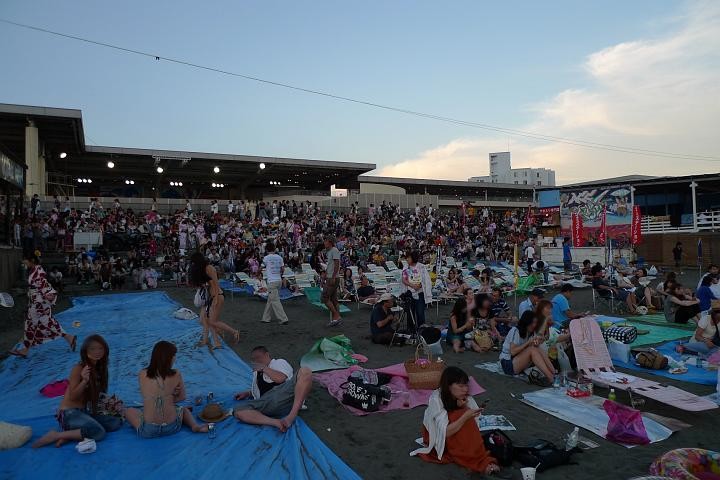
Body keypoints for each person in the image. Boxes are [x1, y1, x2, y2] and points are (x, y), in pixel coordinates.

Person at [32, 335, 123, 447]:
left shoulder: (101, 368)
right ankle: (56, 435)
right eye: (92, 349)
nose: (97, 352)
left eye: (100, 348)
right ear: (85, 351)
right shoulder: (79, 368)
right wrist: (84, 381)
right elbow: (73, 397)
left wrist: (111, 403)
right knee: (99, 432)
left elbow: (98, 396)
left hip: (85, 411)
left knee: (115, 423)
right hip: (69, 413)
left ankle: (71, 435)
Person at [410, 367, 500, 476]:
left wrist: (464, 408)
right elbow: (444, 432)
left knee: (465, 417)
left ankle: (480, 457)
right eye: (461, 386)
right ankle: (477, 461)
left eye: (466, 385)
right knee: (463, 416)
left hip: (453, 430)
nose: (465, 389)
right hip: (435, 435)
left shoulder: (462, 397)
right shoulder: (436, 399)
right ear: (448, 386)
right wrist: (465, 416)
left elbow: (472, 420)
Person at [126, 341, 209, 437]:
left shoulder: (142, 374)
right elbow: (182, 397)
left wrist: (167, 396)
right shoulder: (176, 374)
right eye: (174, 355)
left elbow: (149, 397)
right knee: (183, 410)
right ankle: (195, 426)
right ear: (168, 358)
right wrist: (171, 396)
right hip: (172, 427)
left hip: (148, 430)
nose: (175, 358)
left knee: (128, 411)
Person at [9, 253, 76, 358]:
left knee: (44, 323)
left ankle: (69, 337)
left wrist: (46, 296)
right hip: (36, 301)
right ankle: (25, 350)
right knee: (33, 324)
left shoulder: (38, 271)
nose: (24, 262)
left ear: (31, 260)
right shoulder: (35, 270)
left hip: (39, 302)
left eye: (25, 260)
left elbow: (43, 285)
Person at [233, 346, 313, 432]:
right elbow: (261, 390)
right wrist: (248, 393)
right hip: (266, 403)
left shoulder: (279, 363)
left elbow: (280, 378)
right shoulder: (257, 373)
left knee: (305, 371)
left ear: (267, 355)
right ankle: (276, 423)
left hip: (284, 396)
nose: (256, 361)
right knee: (238, 410)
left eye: (258, 357)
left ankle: (292, 415)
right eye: (254, 359)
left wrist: (264, 368)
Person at [189, 252, 239, 349]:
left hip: (217, 296)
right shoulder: (201, 269)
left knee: (212, 321)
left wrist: (215, 298)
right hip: (210, 297)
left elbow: (215, 284)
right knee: (205, 320)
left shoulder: (209, 268)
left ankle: (234, 332)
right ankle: (215, 342)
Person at [499, 311, 556, 384]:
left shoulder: (529, 332)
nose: (534, 325)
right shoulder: (515, 331)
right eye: (532, 323)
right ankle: (550, 377)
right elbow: (513, 351)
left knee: (537, 348)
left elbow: (544, 337)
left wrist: (536, 342)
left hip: (517, 361)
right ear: (526, 322)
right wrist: (528, 343)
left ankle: (553, 372)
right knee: (532, 350)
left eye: (535, 323)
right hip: (508, 364)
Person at [402, 250, 432, 329]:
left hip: (420, 293)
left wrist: (419, 285)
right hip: (409, 293)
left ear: (413, 258)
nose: (407, 259)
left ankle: (421, 329)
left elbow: (425, 279)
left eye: (408, 257)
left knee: (420, 312)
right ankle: (411, 330)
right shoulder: (406, 267)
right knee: (410, 313)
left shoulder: (421, 267)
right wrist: (412, 285)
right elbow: (404, 279)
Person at [261, 241, 289, 325]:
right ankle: (266, 318)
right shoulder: (279, 257)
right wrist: (279, 274)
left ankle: (283, 319)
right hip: (278, 280)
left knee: (275, 301)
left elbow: (261, 267)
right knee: (271, 299)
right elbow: (282, 269)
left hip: (272, 281)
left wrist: (257, 272)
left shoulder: (266, 258)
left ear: (267, 250)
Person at [322, 236, 342, 326]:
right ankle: (336, 320)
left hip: (333, 277)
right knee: (333, 299)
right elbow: (330, 265)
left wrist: (333, 277)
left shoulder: (334, 250)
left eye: (325, 241)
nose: (324, 243)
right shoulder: (329, 252)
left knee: (324, 297)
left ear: (330, 242)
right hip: (330, 276)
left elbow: (337, 264)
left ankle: (336, 316)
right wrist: (325, 274)